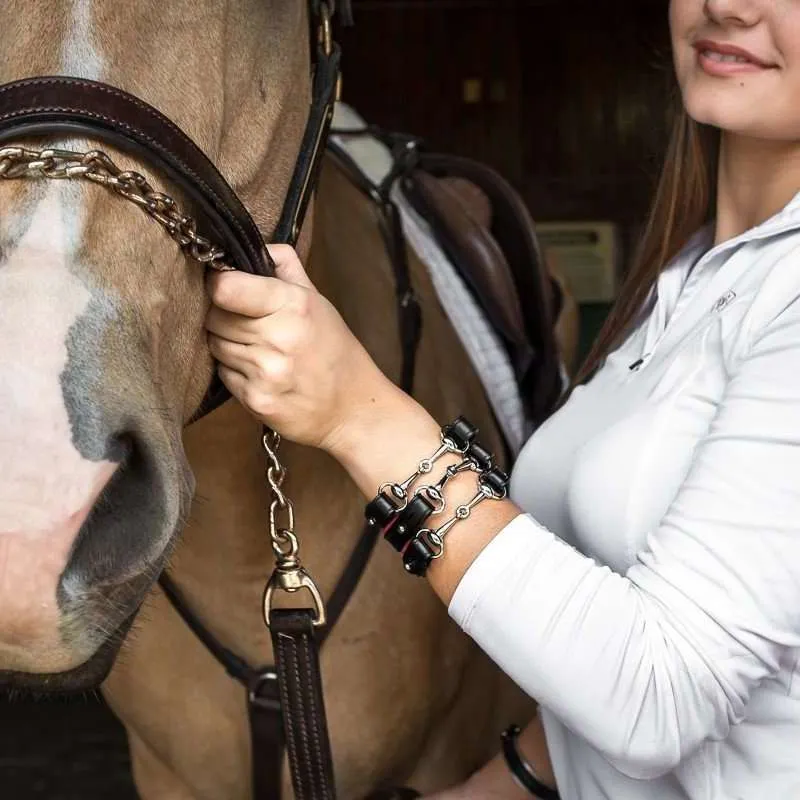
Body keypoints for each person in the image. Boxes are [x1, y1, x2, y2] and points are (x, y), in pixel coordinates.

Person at [204, 0, 800, 797]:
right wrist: (500, 783)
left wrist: (359, 416)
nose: (729, 5)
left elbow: (660, 696)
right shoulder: (688, 275)